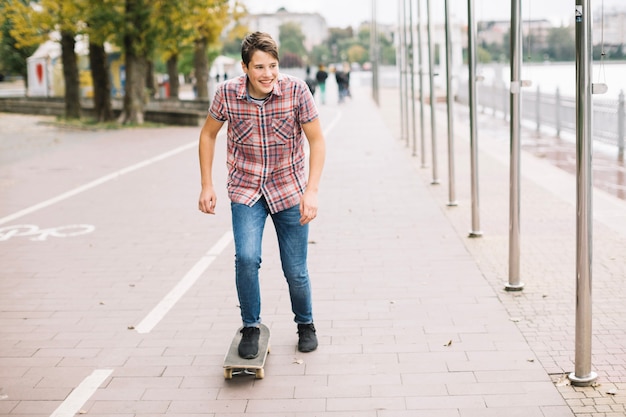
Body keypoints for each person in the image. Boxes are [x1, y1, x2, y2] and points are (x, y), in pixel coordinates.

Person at [198, 32, 326, 359]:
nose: (267, 74)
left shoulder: (296, 90)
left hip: (288, 189)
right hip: (246, 189)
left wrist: (311, 191)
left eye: (272, 65)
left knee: (295, 269)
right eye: (259, 67)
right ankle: (251, 327)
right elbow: (208, 135)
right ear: (245, 68)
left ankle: (306, 323)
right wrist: (207, 185)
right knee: (245, 258)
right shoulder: (226, 93)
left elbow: (317, 141)